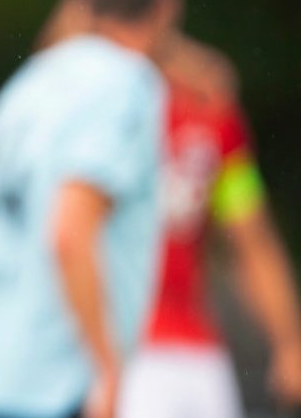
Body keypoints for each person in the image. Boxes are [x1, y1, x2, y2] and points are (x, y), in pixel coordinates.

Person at [0, 0, 182, 418]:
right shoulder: (126, 83)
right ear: (166, 6)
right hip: (58, 383)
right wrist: (107, 367)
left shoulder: (29, 82)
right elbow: (70, 231)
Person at [113, 32, 301, 418]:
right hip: (127, 349)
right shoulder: (101, 118)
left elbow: (251, 238)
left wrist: (289, 342)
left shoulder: (212, 119)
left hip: (191, 350)